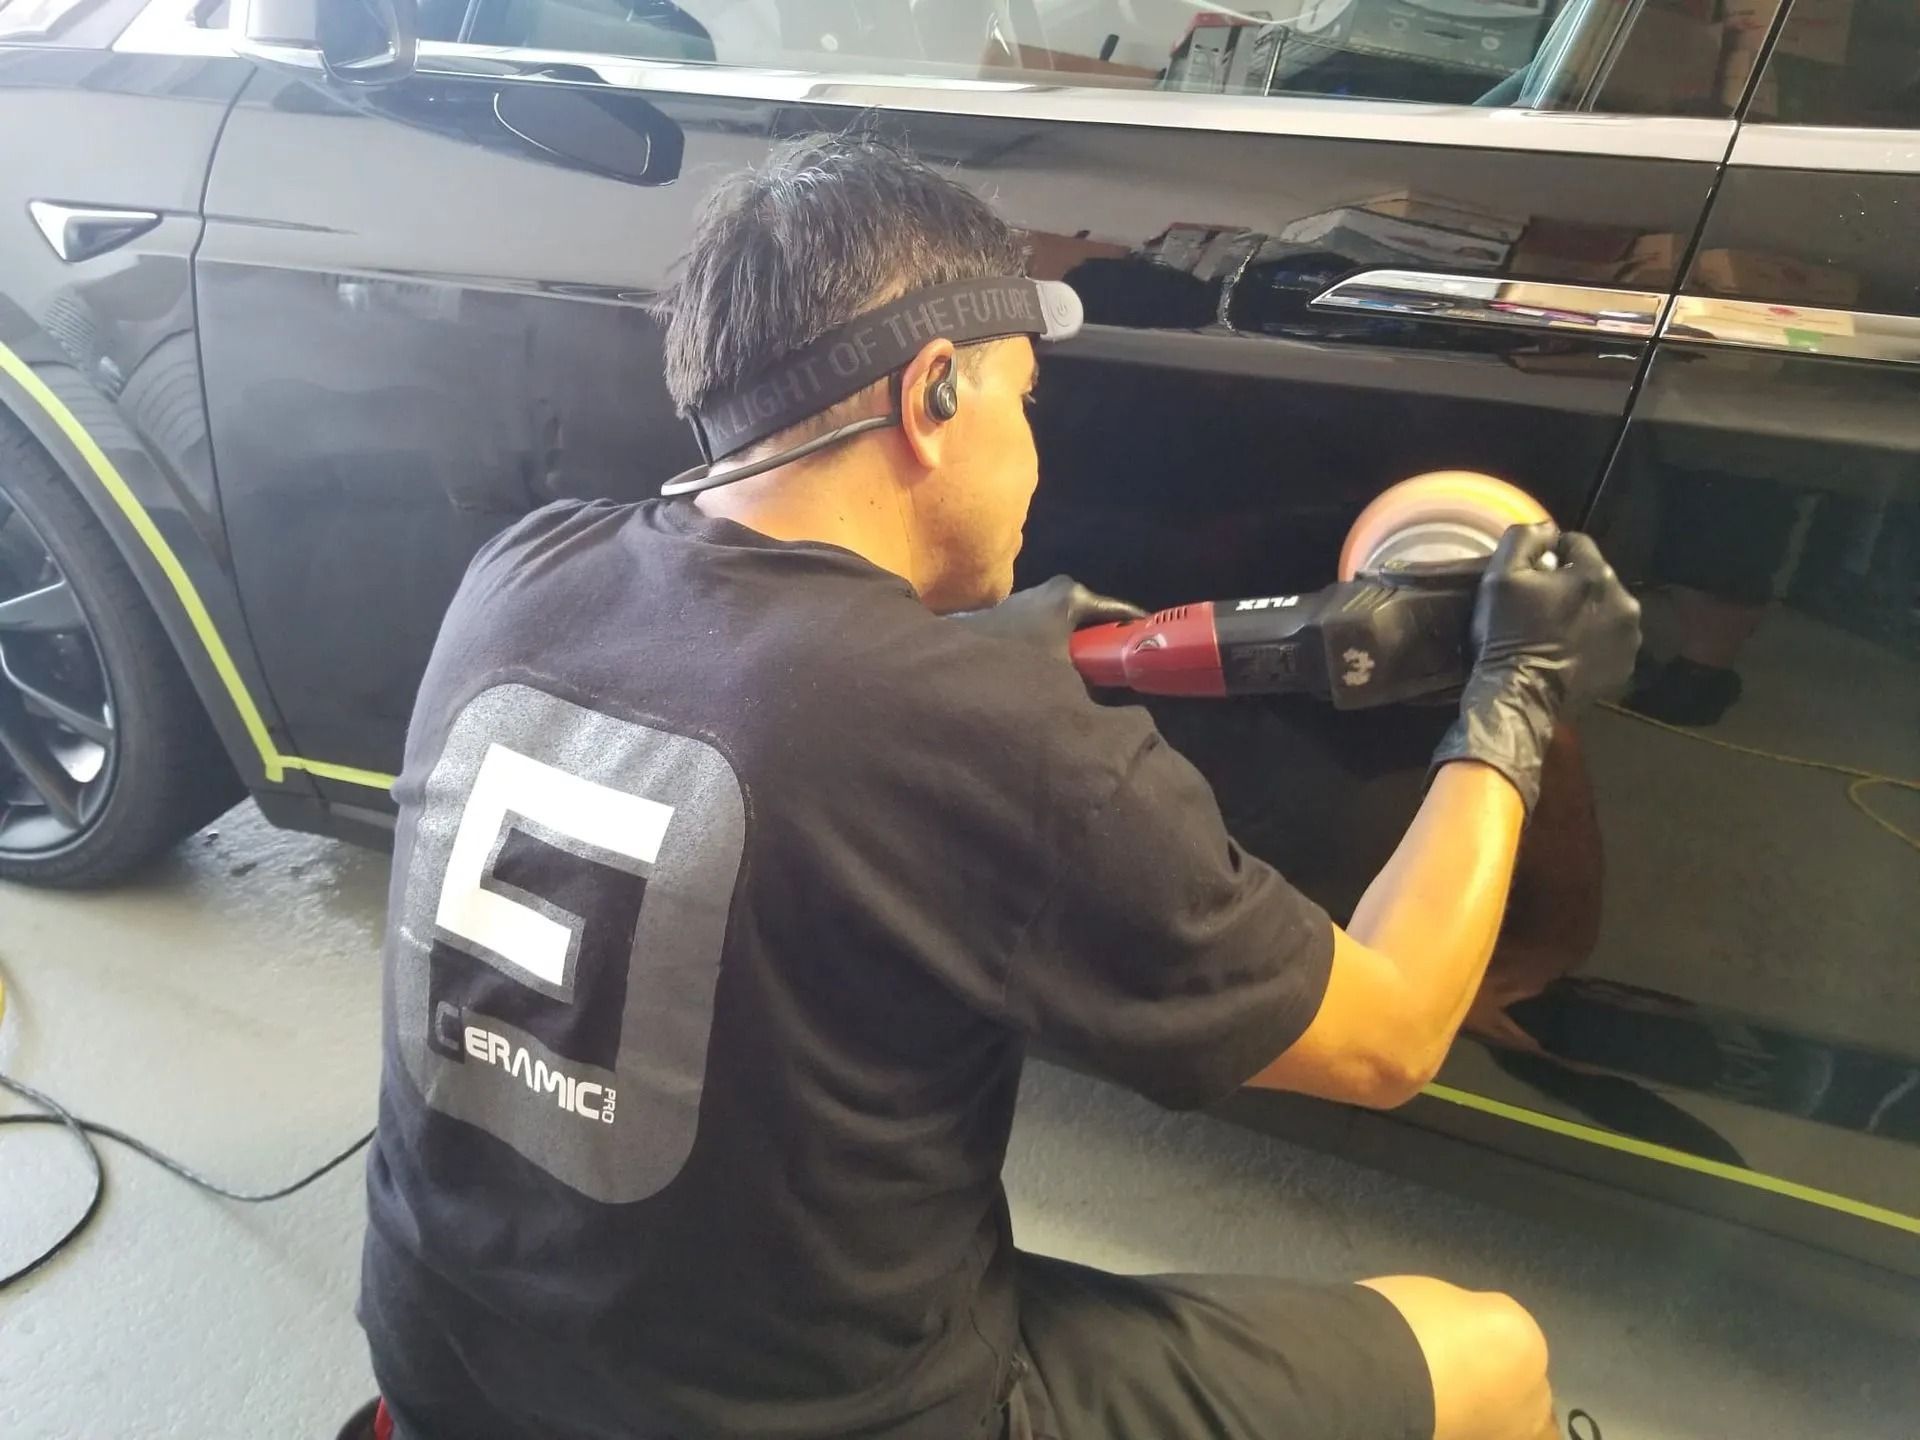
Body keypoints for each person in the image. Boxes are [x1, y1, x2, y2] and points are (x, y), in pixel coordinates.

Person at [355, 133, 1640, 1440]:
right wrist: (1519, 692)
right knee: (1492, 1357)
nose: (1035, 451)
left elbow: (776, 686)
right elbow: (1394, 1038)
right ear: (933, 399)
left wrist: (948, 658)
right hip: (823, 1421)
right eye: (1024, 402)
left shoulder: (520, 575)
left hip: (449, 1372)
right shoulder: (981, 735)